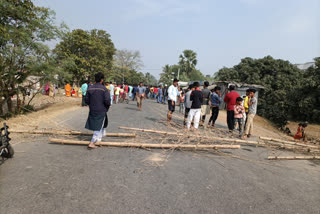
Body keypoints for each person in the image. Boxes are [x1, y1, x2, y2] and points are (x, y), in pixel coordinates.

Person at [85, 72, 111, 149]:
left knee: (101, 124)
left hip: (93, 109)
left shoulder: (90, 88)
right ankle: (92, 142)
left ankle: (98, 140)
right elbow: (107, 100)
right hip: (101, 109)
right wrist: (108, 105)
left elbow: (86, 100)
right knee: (99, 125)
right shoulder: (104, 89)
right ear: (102, 80)